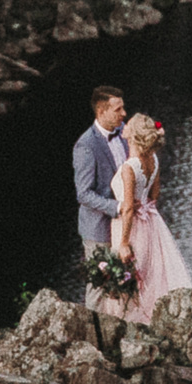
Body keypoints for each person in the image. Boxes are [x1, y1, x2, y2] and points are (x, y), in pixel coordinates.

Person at [98, 113, 190, 325]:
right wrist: (144, 203)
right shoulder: (153, 160)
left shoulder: (130, 167)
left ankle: (129, 323)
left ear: (134, 135)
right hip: (150, 222)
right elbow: (155, 195)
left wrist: (123, 243)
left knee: (129, 275)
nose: (124, 125)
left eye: (128, 124)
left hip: (130, 226)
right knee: (150, 273)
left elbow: (128, 208)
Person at [73, 85, 128, 263]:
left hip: (126, 226)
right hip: (99, 230)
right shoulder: (86, 146)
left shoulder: (124, 131)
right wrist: (118, 207)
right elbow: (84, 194)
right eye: (118, 109)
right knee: (99, 287)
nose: (124, 113)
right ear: (101, 111)